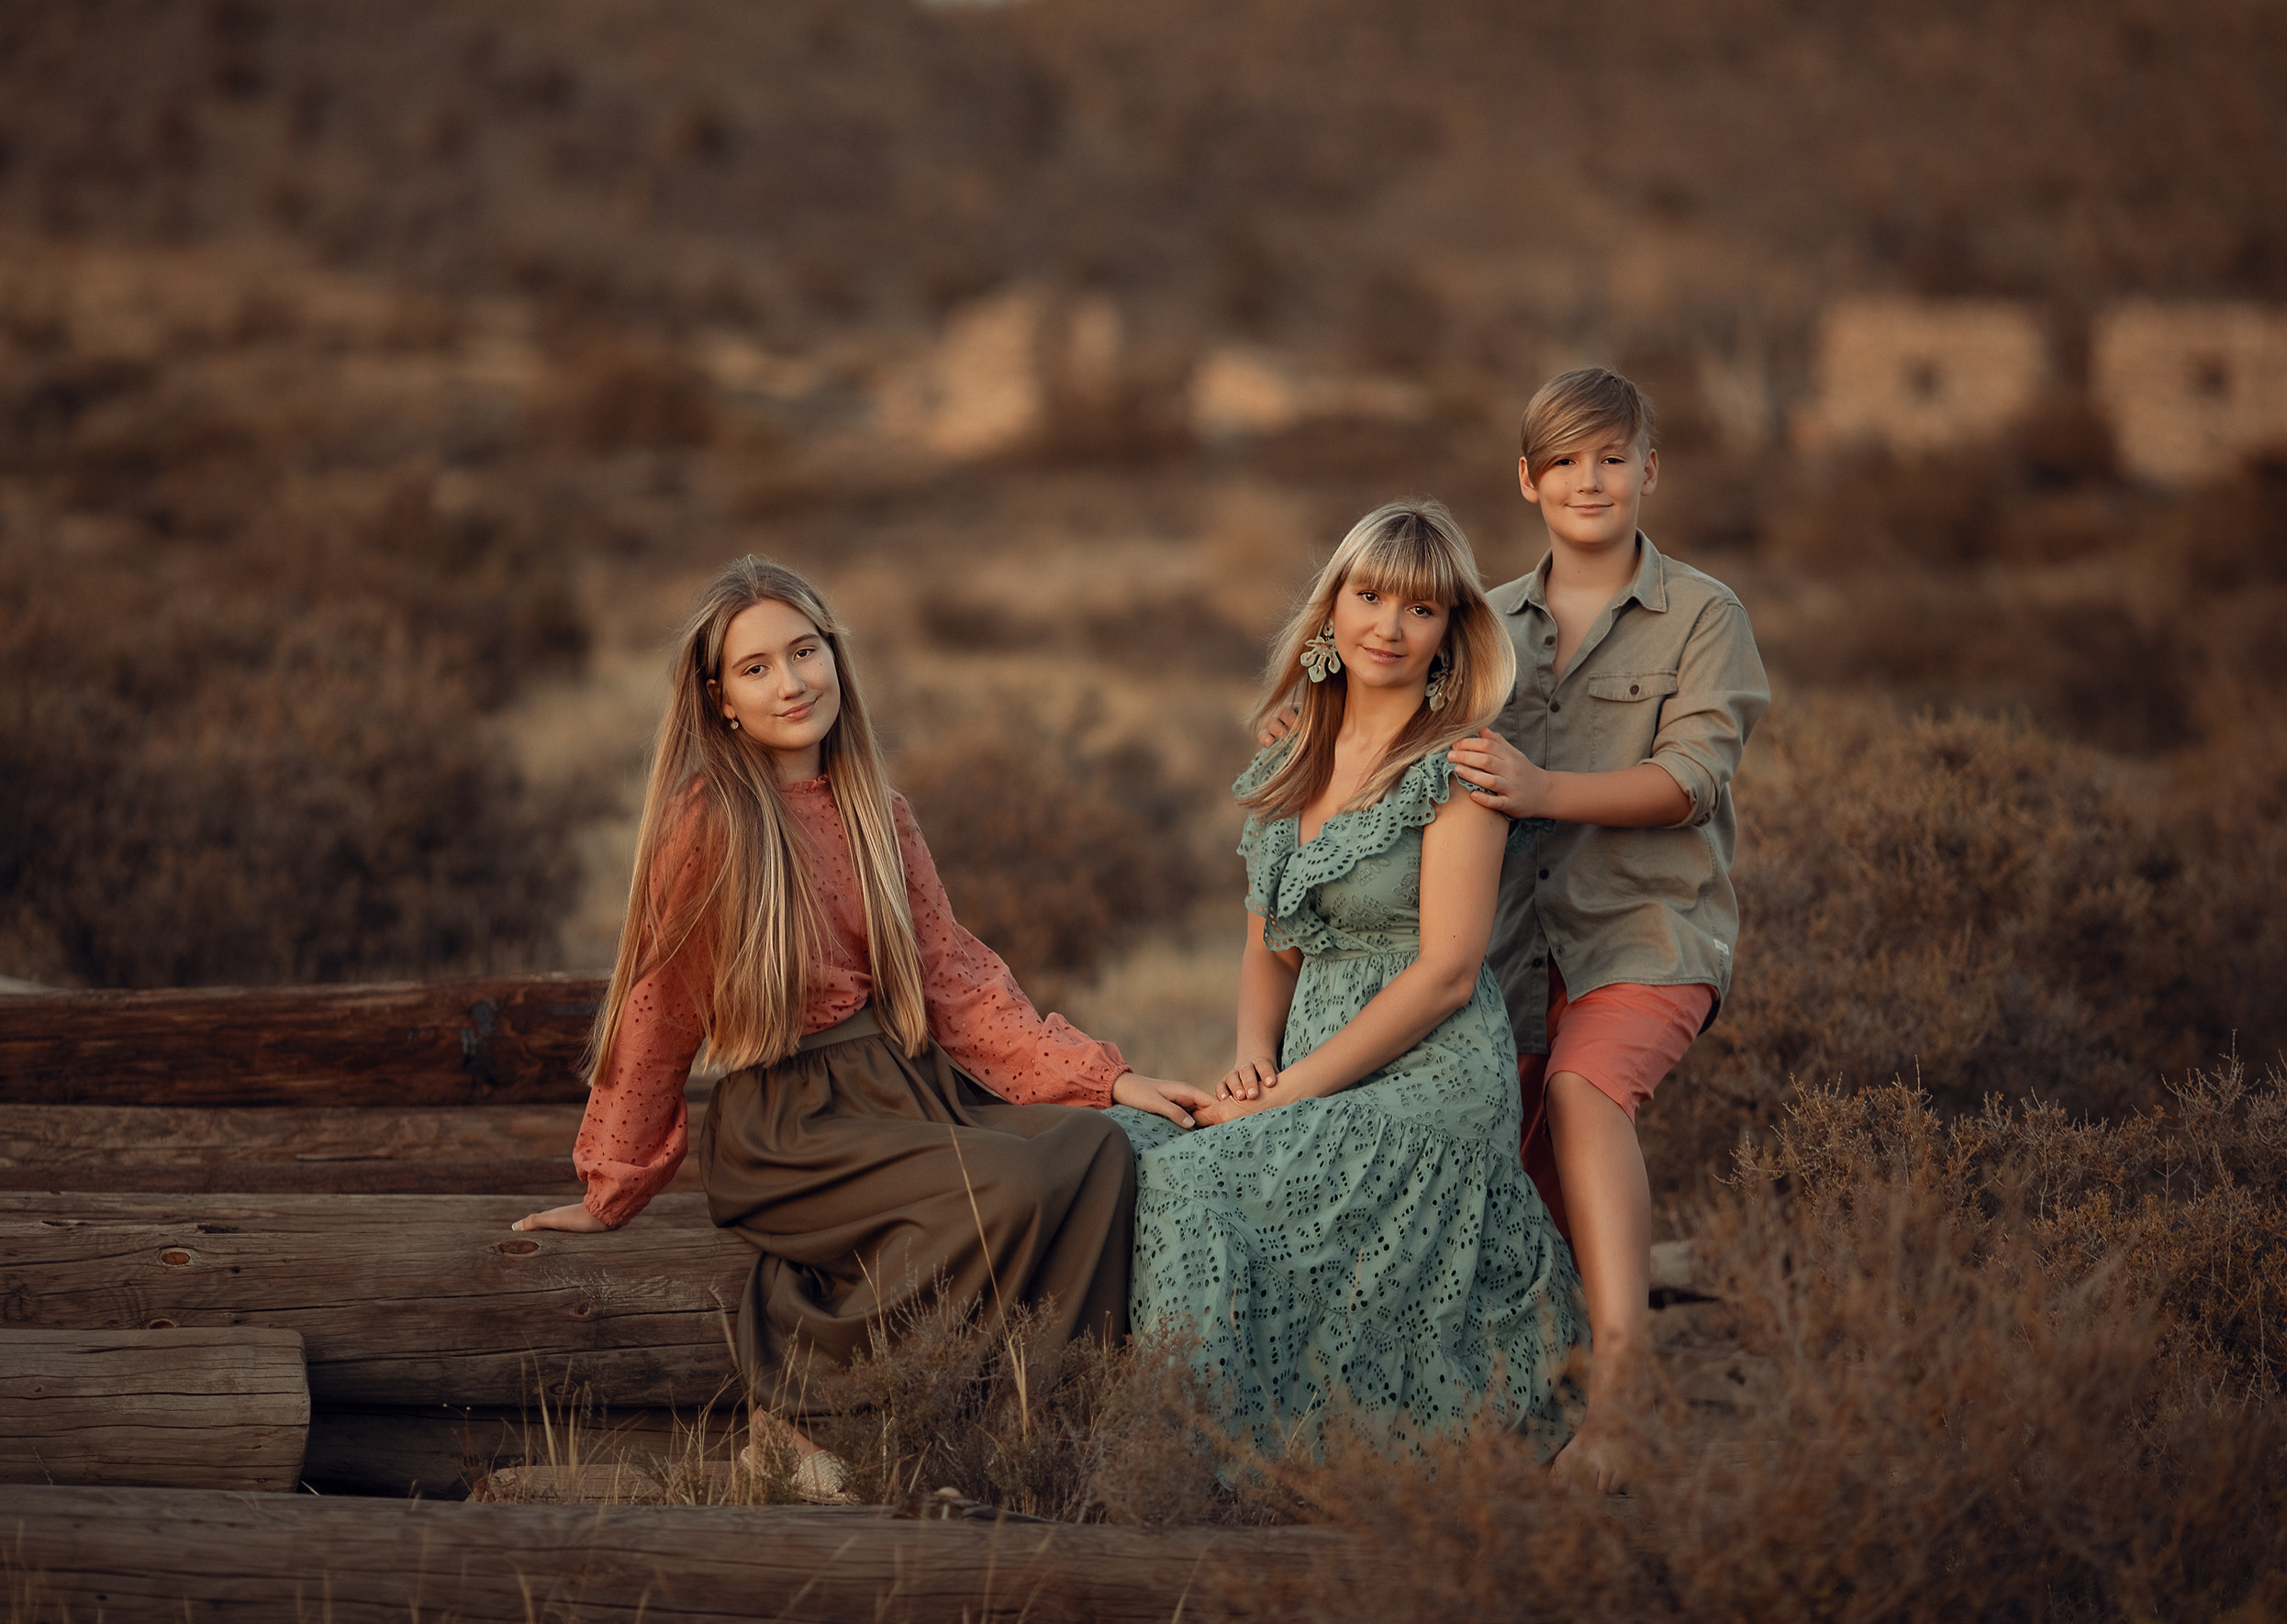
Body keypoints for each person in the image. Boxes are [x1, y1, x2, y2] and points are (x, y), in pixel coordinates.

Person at [513, 556, 1214, 1492]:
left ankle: (1024, 1432)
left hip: (905, 1085)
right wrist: (613, 1183)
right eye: (756, 667)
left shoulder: (878, 812)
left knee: (1099, 1149)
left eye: (804, 651)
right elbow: (657, 1003)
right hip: (789, 1121)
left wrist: (1107, 1079)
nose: (791, 681)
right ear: (720, 699)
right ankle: (812, 1414)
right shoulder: (710, 819)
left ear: (835, 657)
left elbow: (954, 980)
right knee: (1005, 1186)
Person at [1110, 499, 1589, 1458]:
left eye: (1420, 608)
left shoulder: (1458, 767)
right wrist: (1253, 1061)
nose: (1389, 627)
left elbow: (1447, 974)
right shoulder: (1291, 757)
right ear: (1331, 608)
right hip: (1305, 1074)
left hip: (1431, 1086)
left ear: (1449, 632)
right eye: (1369, 597)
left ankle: (1190, 1457)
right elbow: (1268, 947)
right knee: (1122, 1147)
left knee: (1189, 1182)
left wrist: (1286, 1095)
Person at [1447, 367, 1770, 1492]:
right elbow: (1396, 742)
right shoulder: (1480, 624)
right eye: (1563, 462)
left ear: (1648, 470)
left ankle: (1624, 1410)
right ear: (1525, 480)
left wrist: (1544, 790)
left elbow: (1689, 779)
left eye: (1610, 458)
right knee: (1503, 1170)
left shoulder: (1704, 616)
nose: (1588, 480)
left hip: (1647, 933)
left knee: (1585, 1090)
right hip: (1502, 953)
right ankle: (1514, 1412)